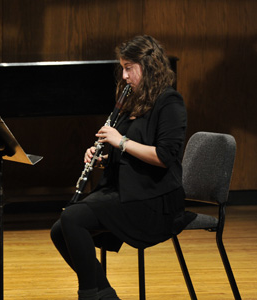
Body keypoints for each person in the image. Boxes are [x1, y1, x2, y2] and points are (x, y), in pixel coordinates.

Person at [49, 35, 190, 300]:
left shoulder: (170, 102)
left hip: (155, 199)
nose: (123, 76)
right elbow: (124, 154)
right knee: (60, 230)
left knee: (72, 219)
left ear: (148, 67)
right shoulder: (130, 102)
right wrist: (102, 157)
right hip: (128, 191)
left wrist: (121, 141)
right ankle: (106, 294)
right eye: (122, 68)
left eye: (129, 68)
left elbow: (164, 157)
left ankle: (88, 294)